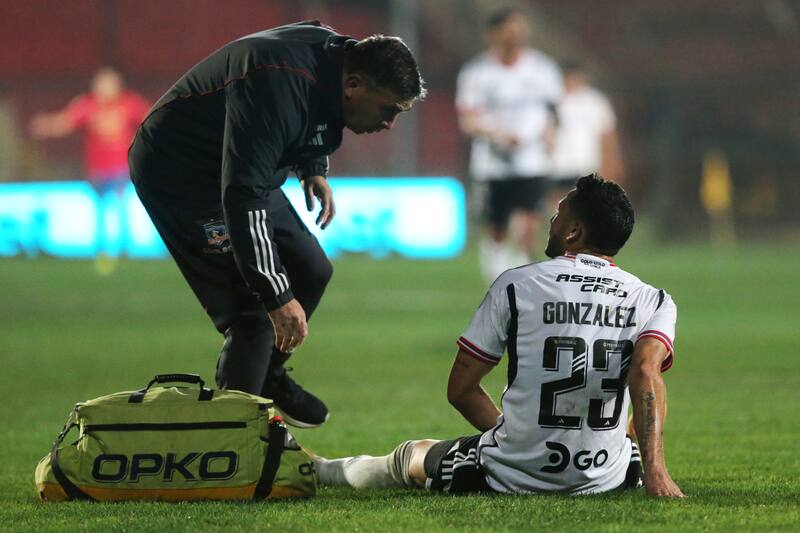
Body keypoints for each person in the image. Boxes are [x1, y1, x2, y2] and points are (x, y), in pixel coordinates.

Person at [128, 21, 425, 428]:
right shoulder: (274, 84)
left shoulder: (333, 56)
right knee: (254, 312)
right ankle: (235, 443)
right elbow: (242, 195)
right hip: (184, 176)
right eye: (388, 109)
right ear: (354, 86)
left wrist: (311, 166)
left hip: (240, 167)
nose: (390, 123)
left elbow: (313, 109)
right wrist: (276, 295)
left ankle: (268, 375)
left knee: (312, 269)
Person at [315, 174, 685, 497]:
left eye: (559, 214)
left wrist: (516, 436)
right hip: (610, 475)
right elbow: (646, 374)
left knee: (413, 457)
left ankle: (319, 470)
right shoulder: (653, 299)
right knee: (635, 410)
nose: (550, 221)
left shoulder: (516, 284)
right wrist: (653, 471)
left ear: (574, 232)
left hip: (512, 472)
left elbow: (460, 390)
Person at [456, 7, 563, 284]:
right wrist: (497, 135)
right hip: (492, 163)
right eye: (509, 29)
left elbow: (552, 112)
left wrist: (549, 138)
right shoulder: (477, 73)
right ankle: (496, 275)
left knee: (530, 221)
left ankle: (528, 276)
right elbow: (468, 119)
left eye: (520, 28)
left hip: (532, 159)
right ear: (494, 34)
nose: (516, 34)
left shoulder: (542, 68)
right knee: (497, 225)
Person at [29, 67, 150, 273]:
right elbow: (65, 122)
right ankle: (103, 251)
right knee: (101, 210)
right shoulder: (87, 104)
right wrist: (46, 126)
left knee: (120, 208)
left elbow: (151, 117)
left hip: (121, 166)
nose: (104, 87)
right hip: (97, 169)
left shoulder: (129, 102)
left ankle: (123, 251)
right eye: (101, 83)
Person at [551, 61, 624, 192]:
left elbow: (607, 134)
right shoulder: (552, 99)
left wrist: (612, 164)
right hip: (556, 166)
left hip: (586, 164)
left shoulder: (595, 101)